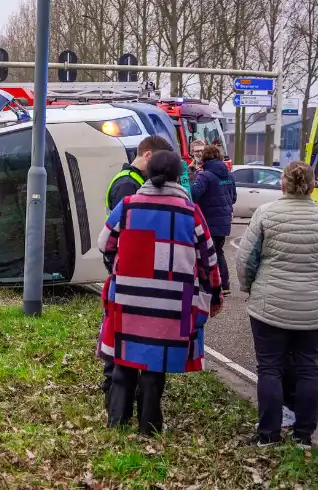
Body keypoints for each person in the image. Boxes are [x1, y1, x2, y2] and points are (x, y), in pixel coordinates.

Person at [97, 150, 223, 435]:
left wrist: (118, 266)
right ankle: (149, 427)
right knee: (155, 365)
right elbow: (209, 260)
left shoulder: (128, 206)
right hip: (171, 303)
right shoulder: (191, 212)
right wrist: (213, 296)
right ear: (179, 176)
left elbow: (105, 243)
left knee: (122, 361)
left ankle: (117, 422)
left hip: (127, 298)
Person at [238, 161, 318, 447]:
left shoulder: (266, 213)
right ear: (313, 185)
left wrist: (249, 287)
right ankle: (303, 436)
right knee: (308, 368)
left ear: (283, 184)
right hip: (314, 307)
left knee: (270, 368)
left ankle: (268, 435)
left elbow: (246, 259)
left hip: (269, 305)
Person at [100, 135, 175, 399]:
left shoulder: (132, 181)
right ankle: (114, 389)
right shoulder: (128, 186)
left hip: (132, 269)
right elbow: (122, 233)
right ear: (147, 156)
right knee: (123, 333)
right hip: (130, 271)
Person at [190, 144, 237, 296]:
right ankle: (225, 283)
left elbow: (193, 195)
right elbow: (234, 198)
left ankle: (211, 285)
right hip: (223, 221)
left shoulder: (204, 176)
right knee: (218, 251)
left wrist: (194, 177)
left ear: (204, 157)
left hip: (207, 220)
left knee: (206, 252)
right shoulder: (229, 175)